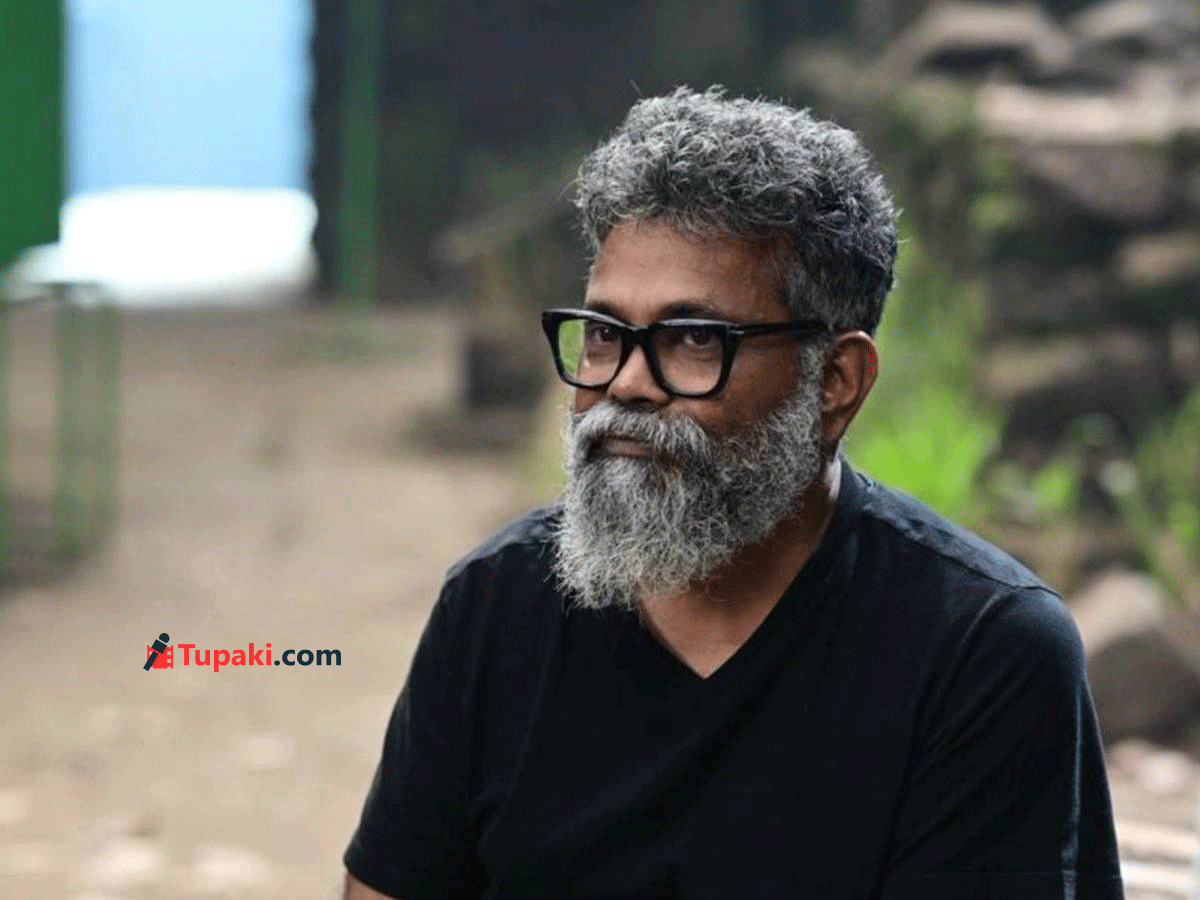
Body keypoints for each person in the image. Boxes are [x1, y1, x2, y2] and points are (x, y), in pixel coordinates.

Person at [342, 86, 1124, 900]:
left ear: (836, 382)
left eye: (693, 339)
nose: (625, 383)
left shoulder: (980, 653)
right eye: (605, 333)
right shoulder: (496, 606)